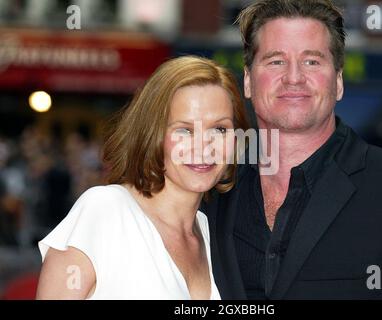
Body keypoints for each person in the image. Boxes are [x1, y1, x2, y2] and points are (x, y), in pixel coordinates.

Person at [201, 0, 382, 299]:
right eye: (276, 60)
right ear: (249, 81)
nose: (294, 77)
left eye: (312, 61)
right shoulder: (210, 191)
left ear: (339, 81)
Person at [35, 56, 250, 299]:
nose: (204, 146)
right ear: (153, 134)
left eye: (219, 129)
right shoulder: (106, 211)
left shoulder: (214, 235)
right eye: (185, 130)